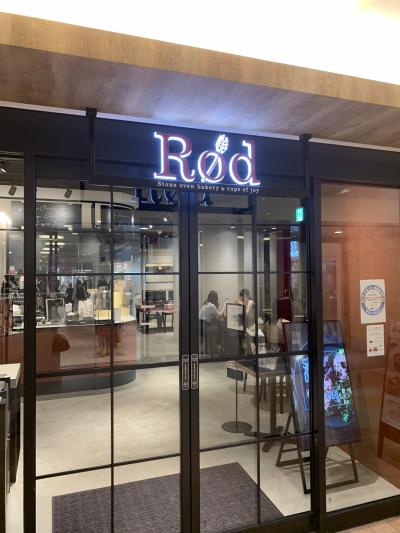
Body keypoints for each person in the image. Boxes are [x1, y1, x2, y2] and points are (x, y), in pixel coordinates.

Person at [199, 290, 226, 355]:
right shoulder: (211, 306)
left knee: (216, 326)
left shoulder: (205, 303)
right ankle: (217, 348)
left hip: (201, 325)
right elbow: (220, 315)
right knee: (218, 328)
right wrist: (225, 304)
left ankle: (212, 348)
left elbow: (212, 316)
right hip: (205, 327)